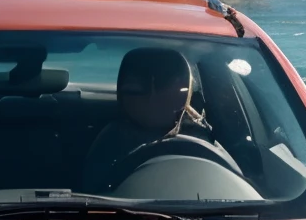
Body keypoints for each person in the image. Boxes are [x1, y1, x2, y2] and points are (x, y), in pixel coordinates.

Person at [82, 46, 234, 194]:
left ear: (186, 94)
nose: (152, 99)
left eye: (165, 87)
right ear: (121, 94)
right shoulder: (111, 141)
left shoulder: (209, 138)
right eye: (136, 90)